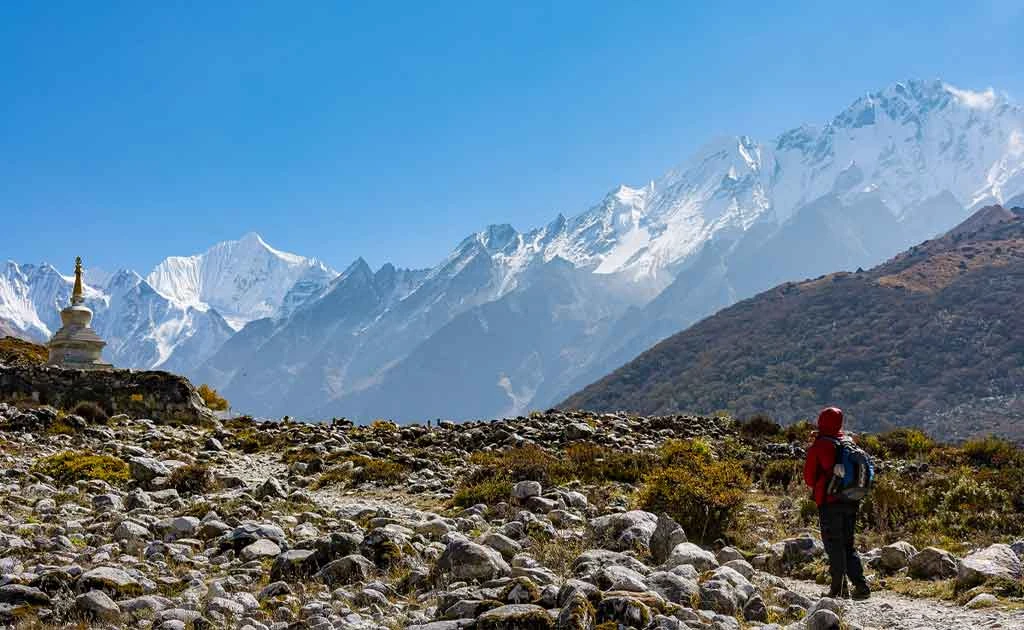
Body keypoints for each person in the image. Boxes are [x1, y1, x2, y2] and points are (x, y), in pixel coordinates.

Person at [803, 406, 870, 599]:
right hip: (851, 499)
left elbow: (809, 478)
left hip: (829, 501)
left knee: (834, 544)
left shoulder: (820, 445)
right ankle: (861, 586)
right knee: (848, 544)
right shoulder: (847, 441)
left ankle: (839, 589)